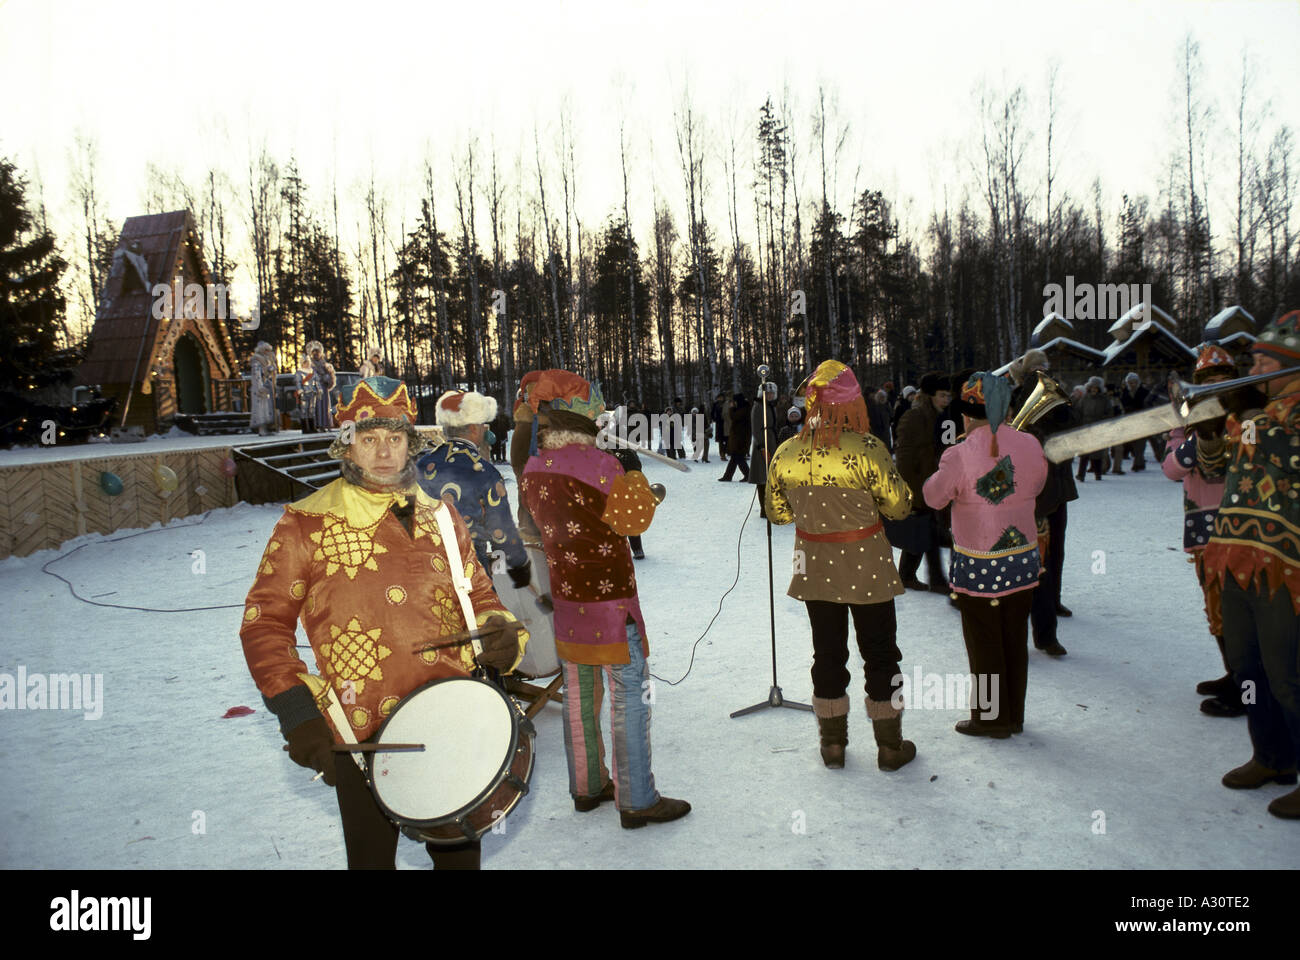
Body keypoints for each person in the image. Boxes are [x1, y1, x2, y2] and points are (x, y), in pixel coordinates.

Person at [239, 376, 529, 869]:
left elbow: (479, 594)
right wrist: (296, 711)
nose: (383, 453)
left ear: (409, 443)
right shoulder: (305, 524)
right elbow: (263, 622)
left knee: (460, 861)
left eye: (394, 438)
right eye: (368, 439)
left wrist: (501, 631)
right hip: (359, 733)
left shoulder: (440, 515)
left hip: (450, 716)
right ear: (346, 446)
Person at [519, 370, 690, 828]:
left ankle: (587, 785)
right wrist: (640, 483)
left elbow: (550, 523)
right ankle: (637, 798)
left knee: (580, 693)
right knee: (629, 693)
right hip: (612, 601)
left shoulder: (533, 469)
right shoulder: (603, 465)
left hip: (569, 599)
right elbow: (633, 523)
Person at [766, 360, 915, 770]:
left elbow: (777, 514)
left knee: (827, 653)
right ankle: (889, 746)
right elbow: (900, 506)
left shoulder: (787, 452)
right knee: (882, 654)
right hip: (868, 566)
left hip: (814, 567)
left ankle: (832, 745)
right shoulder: (867, 449)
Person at [1202, 310, 1300, 819]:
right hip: (1233, 553)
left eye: (1264, 360)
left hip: (1283, 561)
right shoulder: (1255, 413)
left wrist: (1252, 420)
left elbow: (1291, 456)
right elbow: (1215, 469)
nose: (1253, 365)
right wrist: (1210, 429)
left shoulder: (1287, 413)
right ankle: (1272, 756)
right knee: (1246, 665)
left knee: (1289, 674)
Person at [924, 372, 1048, 737]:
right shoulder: (1031, 444)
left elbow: (933, 497)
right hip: (1022, 558)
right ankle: (1014, 715)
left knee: (984, 643)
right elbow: (1038, 484)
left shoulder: (958, 454)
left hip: (979, 565)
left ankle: (992, 718)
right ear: (1007, 408)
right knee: (1014, 638)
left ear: (965, 412)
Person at [1162, 344, 1239, 717]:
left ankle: (1247, 686)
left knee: (1240, 609)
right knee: (1216, 608)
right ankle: (1234, 674)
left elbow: (1244, 457)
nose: (1216, 387)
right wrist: (1199, 434)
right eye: (1210, 381)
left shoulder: (1246, 418)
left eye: (1224, 381)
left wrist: (1222, 431)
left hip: (1238, 526)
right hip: (1201, 527)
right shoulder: (1185, 420)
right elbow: (1170, 468)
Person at [417, 389, 531, 589]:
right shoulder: (485, 472)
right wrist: (519, 567)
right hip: (470, 568)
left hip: (425, 568)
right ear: (472, 428)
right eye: (481, 424)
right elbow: (500, 532)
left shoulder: (422, 465)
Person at [1008, 349, 1076, 656]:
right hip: (1032, 492)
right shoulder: (1018, 396)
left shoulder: (1055, 396)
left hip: (1053, 488)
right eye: (1039, 371)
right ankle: (1036, 634)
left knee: (1046, 560)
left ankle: (1046, 631)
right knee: (1031, 564)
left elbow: (1071, 429)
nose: (1043, 376)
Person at [892, 372, 951, 593]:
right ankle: (932, 579)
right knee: (927, 530)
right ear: (930, 396)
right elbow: (904, 457)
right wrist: (913, 491)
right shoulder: (914, 416)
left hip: (934, 483)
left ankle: (908, 575)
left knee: (927, 531)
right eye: (942, 395)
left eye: (948, 396)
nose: (946, 400)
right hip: (920, 485)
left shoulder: (942, 417)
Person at [750, 381, 779, 517]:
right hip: (763, 445)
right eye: (768, 393)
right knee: (763, 478)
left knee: (771, 478)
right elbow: (756, 428)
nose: (770, 396)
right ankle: (764, 508)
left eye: (772, 393)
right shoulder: (758, 407)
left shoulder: (770, 406)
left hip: (772, 442)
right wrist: (762, 446)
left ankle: (772, 505)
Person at [1075, 377, 1110, 481]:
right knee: (1084, 453)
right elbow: (1079, 411)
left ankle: (1098, 473)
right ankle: (1081, 475)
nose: (1094, 389)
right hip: (1085, 426)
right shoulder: (1085, 398)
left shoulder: (1104, 399)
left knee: (1097, 453)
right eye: (1092, 387)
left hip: (1097, 427)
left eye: (1096, 388)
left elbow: (1108, 412)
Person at [719, 392, 751, 481]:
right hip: (739, 437)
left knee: (739, 457)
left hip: (741, 438)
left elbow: (734, 416)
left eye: (735, 402)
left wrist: (731, 408)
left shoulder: (744, 409)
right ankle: (728, 476)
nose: (734, 403)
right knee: (735, 458)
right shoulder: (743, 408)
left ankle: (748, 475)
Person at [305, 341, 336, 432]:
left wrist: (329, 377)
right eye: (314, 352)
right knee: (316, 407)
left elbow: (331, 377)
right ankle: (317, 425)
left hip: (324, 389)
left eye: (317, 352)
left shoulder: (324, 364)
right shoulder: (310, 364)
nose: (316, 354)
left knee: (325, 407)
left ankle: (326, 424)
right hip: (315, 389)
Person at [249, 342, 278, 435]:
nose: (268, 352)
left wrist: (271, 370)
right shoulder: (257, 360)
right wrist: (260, 387)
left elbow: (269, 373)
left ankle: (267, 428)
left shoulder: (267, 360)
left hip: (267, 386)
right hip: (260, 388)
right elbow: (257, 375)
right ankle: (262, 429)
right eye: (266, 350)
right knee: (261, 409)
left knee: (267, 408)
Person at [710, 392, 728, 462]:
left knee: (726, 439)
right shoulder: (715, 404)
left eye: (721, 397)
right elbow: (712, 413)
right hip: (719, 424)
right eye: (719, 397)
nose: (720, 399)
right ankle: (722, 454)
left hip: (726, 423)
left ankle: (726, 452)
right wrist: (714, 419)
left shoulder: (726, 404)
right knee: (721, 440)